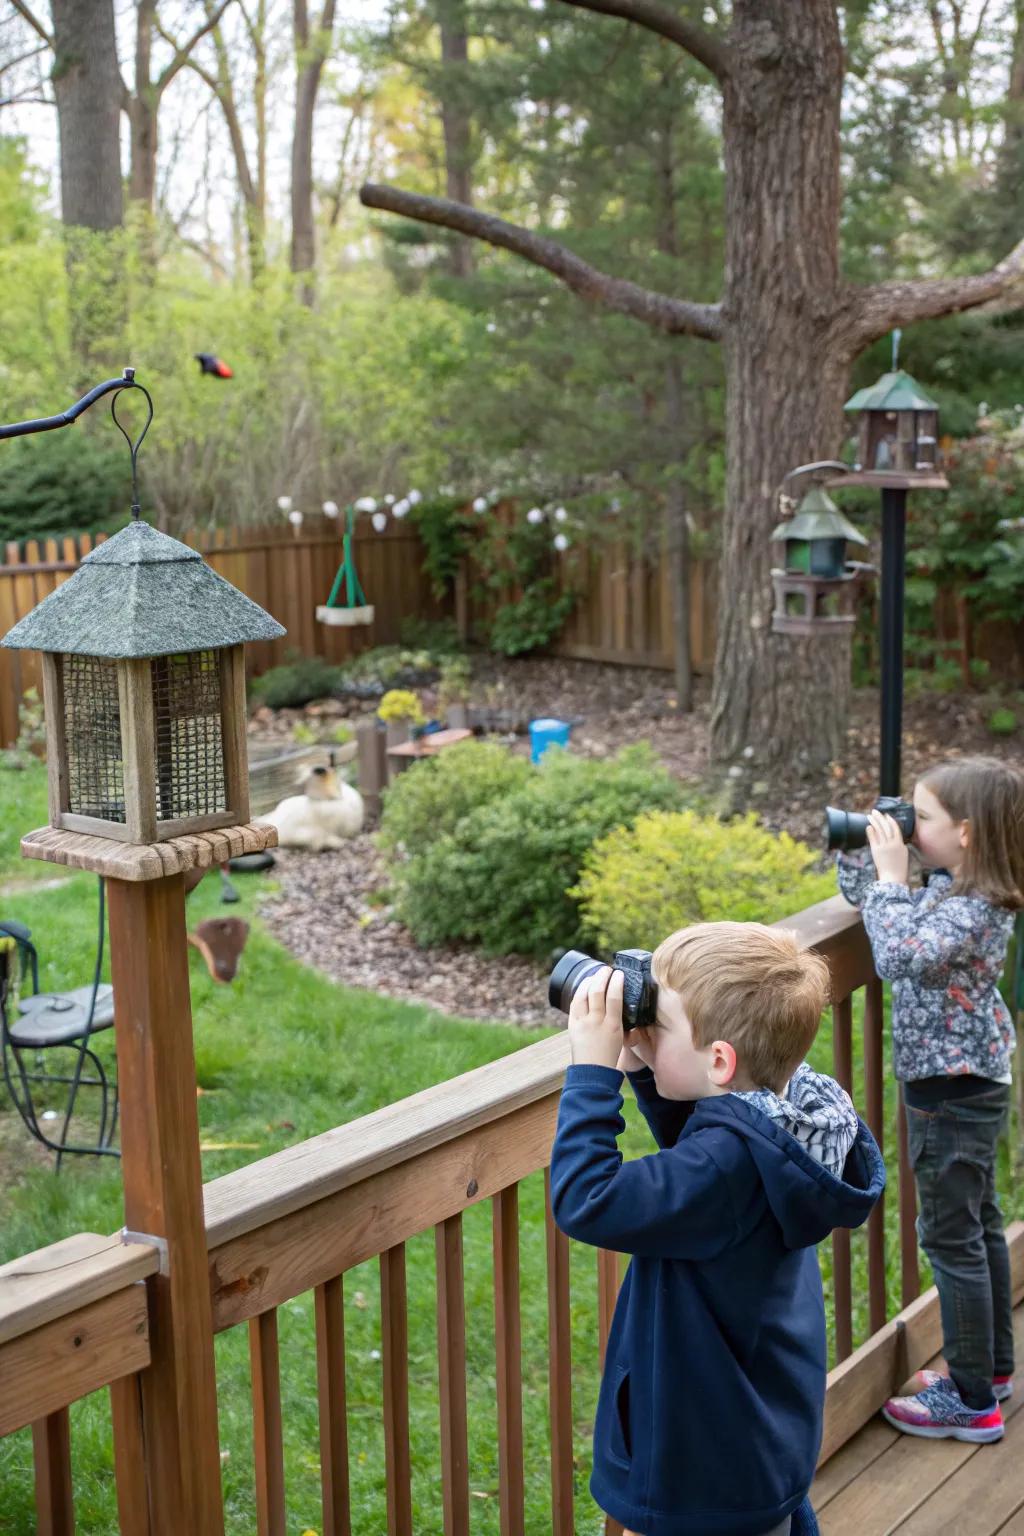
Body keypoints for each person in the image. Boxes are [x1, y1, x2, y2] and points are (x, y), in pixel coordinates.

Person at [550, 922, 884, 1536]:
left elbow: (586, 1198)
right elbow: (706, 1153)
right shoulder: (780, 1130)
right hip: (753, 1441)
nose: (644, 1021)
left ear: (721, 1060)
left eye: (662, 1021)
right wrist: (652, 1067)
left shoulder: (725, 1170)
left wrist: (593, 1075)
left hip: (703, 1474)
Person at [837, 755, 1024, 1443]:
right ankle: (993, 1369)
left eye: (925, 817)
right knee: (977, 1224)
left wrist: (890, 878)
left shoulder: (973, 908)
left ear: (967, 833)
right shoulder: (957, 886)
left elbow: (901, 957)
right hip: (966, 1080)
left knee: (952, 1235)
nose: (911, 826)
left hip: (951, 1089)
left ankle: (973, 1398)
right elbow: (881, 913)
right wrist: (869, 852)